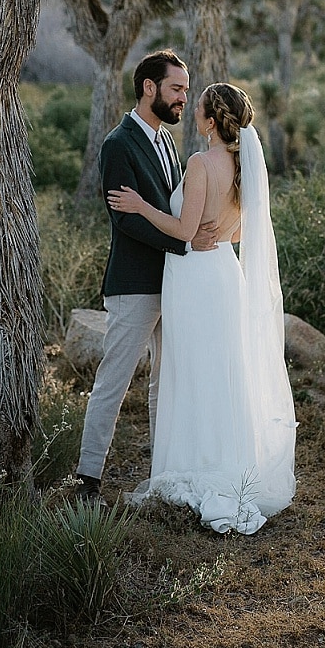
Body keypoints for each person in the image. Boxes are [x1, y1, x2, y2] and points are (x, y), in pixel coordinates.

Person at [107, 82, 296, 534]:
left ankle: (195, 468)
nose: (192, 113)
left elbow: (185, 230)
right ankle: (229, 463)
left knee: (191, 373)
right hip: (224, 275)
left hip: (193, 279)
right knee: (222, 374)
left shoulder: (199, 164)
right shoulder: (241, 167)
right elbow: (234, 232)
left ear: (212, 121)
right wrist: (210, 232)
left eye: (200, 110)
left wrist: (139, 206)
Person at [75, 50, 217, 505]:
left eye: (185, 91)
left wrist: (200, 231)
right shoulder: (118, 144)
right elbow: (126, 221)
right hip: (134, 284)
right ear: (149, 88)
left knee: (166, 382)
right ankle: (88, 478)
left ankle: (164, 473)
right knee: (114, 380)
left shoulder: (168, 144)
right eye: (176, 89)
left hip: (174, 284)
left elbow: (173, 208)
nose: (183, 99)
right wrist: (183, 242)